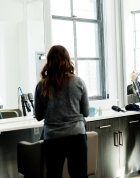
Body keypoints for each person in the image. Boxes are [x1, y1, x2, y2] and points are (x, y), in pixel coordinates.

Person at [34, 45, 89, 178]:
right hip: (76, 136)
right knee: (79, 175)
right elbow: (86, 112)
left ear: (49, 61)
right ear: (67, 60)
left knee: (53, 175)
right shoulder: (79, 82)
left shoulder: (42, 85)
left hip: (53, 138)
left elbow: (39, 116)